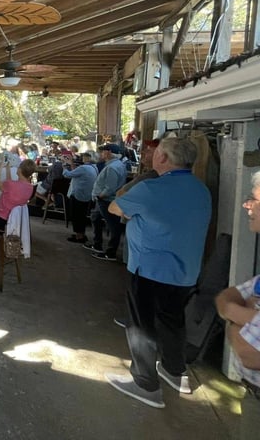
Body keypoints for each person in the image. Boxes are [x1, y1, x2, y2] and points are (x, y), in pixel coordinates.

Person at [105, 137, 211, 409]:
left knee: (141, 325)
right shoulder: (201, 190)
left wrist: (134, 214)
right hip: (185, 272)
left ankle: (144, 384)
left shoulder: (151, 189)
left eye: (156, 152)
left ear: (163, 158)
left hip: (150, 268)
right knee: (173, 321)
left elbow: (115, 207)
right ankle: (175, 372)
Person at [215, 171, 260, 439]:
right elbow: (226, 297)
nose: (246, 205)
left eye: (253, 199)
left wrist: (233, 320)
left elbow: (249, 353)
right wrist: (245, 314)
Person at [86, 143, 128, 261]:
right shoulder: (116, 165)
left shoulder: (112, 168)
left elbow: (110, 187)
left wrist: (100, 196)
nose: (101, 153)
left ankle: (111, 252)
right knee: (95, 218)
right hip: (104, 199)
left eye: (103, 151)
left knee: (113, 226)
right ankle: (97, 244)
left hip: (106, 200)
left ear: (109, 152)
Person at [0, 159, 36, 231]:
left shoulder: (11, 185)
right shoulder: (30, 188)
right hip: (13, 220)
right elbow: (10, 182)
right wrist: (8, 168)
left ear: (20, 170)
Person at [62, 154, 97, 243]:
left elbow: (68, 175)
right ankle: (81, 234)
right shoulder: (94, 167)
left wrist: (64, 167)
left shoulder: (84, 168)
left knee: (76, 215)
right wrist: (71, 163)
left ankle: (79, 236)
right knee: (81, 215)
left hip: (78, 194)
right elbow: (77, 173)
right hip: (87, 194)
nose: (82, 158)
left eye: (85, 156)